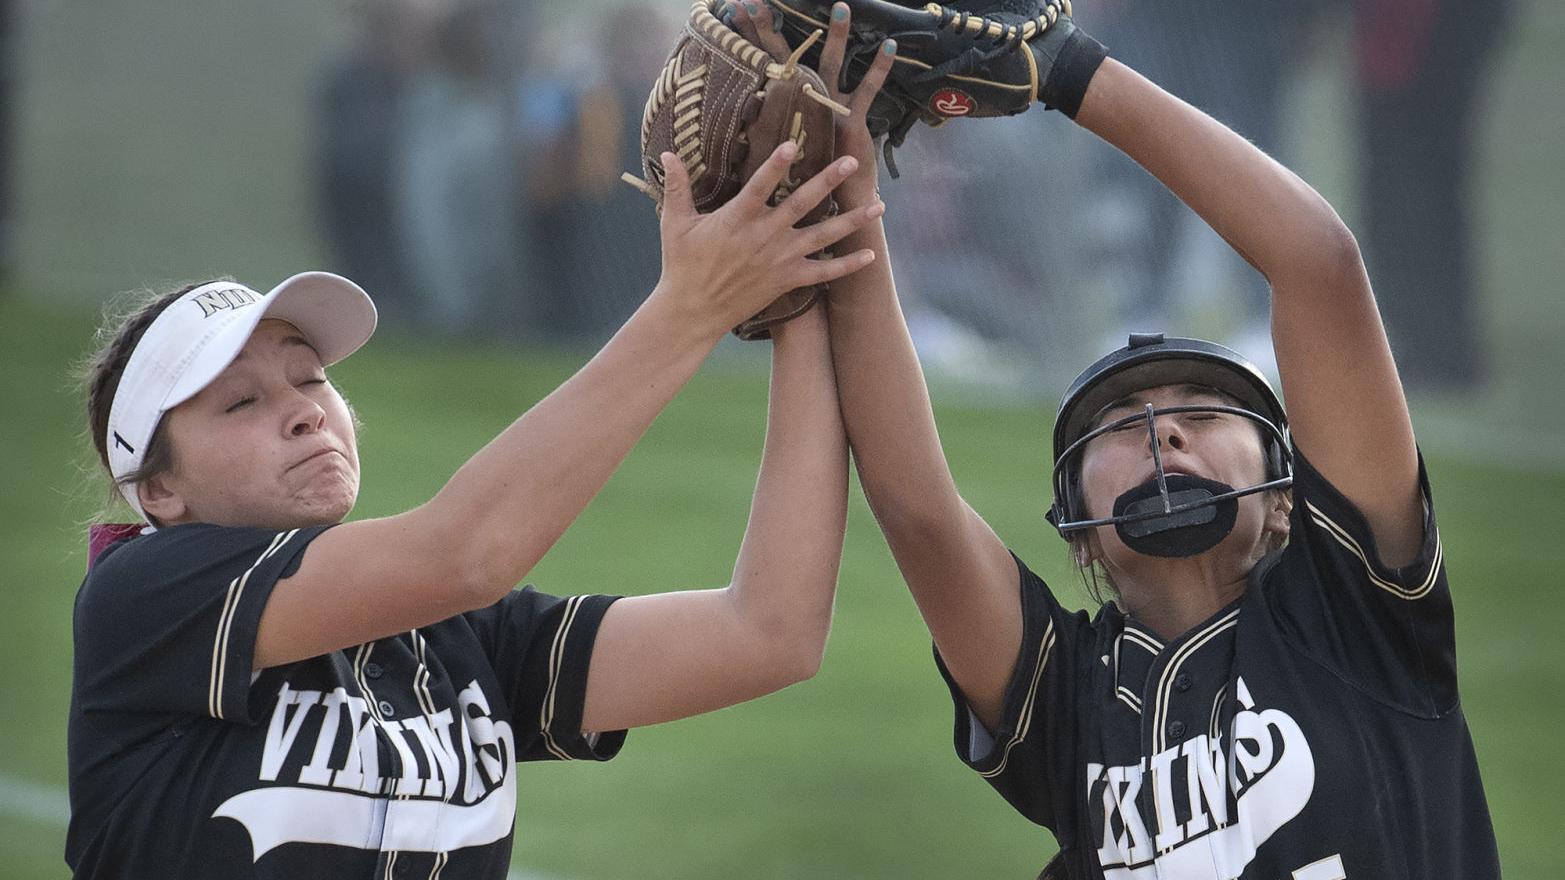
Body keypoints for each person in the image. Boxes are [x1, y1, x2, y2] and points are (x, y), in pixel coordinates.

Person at [733, 3, 1497, 876]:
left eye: (1202, 416)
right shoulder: (1067, 698)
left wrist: (1065, 71)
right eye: (1119, 429)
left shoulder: (1355, 619)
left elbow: (1317, 265)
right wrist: (842, 204)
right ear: (1082, 530)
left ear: (1286, 503)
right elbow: (916, 507)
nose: (1161, 431)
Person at [65, 141, 886, 877]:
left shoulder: (454, 645)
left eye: (310, 375)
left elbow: (769, 635)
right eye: (240, 402)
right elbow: (464, 553)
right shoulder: (144, 601)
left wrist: (797, 296)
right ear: (161, 490)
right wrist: (692, 307)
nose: (305, 409)